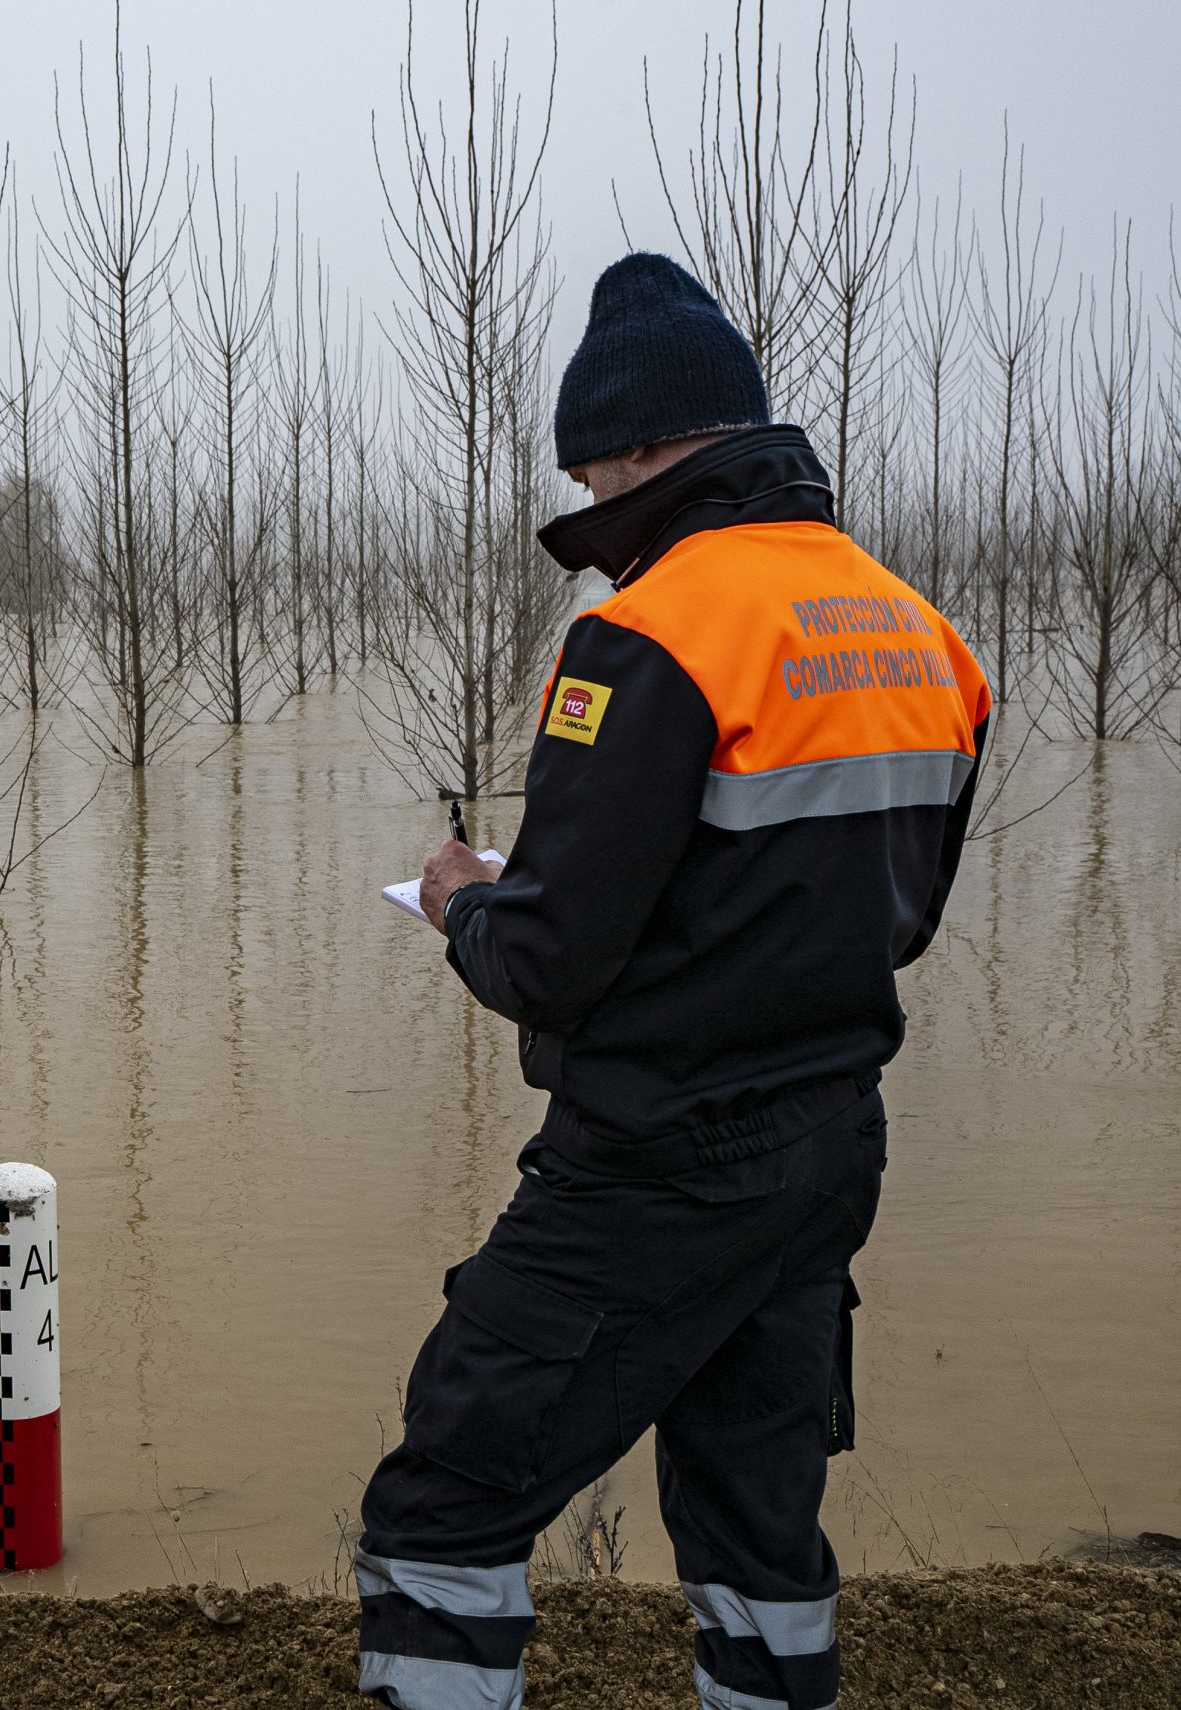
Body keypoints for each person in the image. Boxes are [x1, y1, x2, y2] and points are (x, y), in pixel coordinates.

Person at [354, 254, 991, 1710]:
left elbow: (552, 958)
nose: (586, 500)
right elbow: (897, 917)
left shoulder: (643, 636)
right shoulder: (917, 632)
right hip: (831, 1142)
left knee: (442, 1503)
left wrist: (466, 903)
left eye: (593, 467)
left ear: (648, 445)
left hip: (654, 1155)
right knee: (756, 1524)